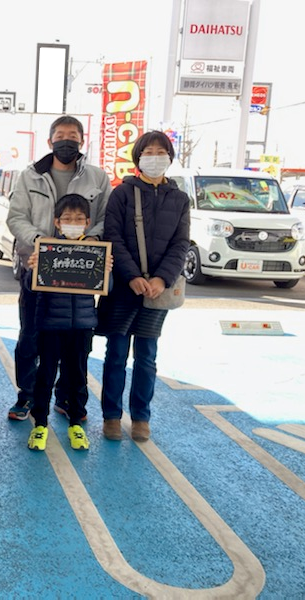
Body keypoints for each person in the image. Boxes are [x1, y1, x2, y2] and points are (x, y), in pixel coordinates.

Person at [6, 115, 113, 422]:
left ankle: (66, 397)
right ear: (50, 140)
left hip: (79, 271)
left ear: (82, 140)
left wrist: (92, 239)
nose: (67, 140)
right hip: (37, 269)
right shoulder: (30, 176)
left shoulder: (97, 178)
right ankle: (27, 395)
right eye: (61, 135)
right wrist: (39, 242)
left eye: (73, 136)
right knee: (30, 336)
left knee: (74, 340)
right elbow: (16, 218)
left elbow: (106, 218)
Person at [95, 130, 190, 442]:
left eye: (161, 152)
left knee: (147, 357)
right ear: (137, 158)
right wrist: (132, 276)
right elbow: (113, 236)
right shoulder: (122, 193)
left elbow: (181, 244)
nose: (155, 158)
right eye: (148, 152)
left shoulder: (179, 199)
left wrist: (162, 278)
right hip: (125, 288)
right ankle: (111, 416)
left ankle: (141, 418)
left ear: (170, 158)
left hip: (157, 291)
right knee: (116, 354)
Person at [25, 194, 98, 451]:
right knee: (45, 374)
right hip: (51, 325)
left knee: (77, 376)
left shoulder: (95, 253)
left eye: (79, 219)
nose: (73, 223)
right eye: (67, 219)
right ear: (57, 222)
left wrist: (106, 271)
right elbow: (30, 286)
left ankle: (76, 423)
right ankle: (40, 424)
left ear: (87, 222)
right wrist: (33, 268)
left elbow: (107, 287)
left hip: (82, 325)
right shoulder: (48, 250)